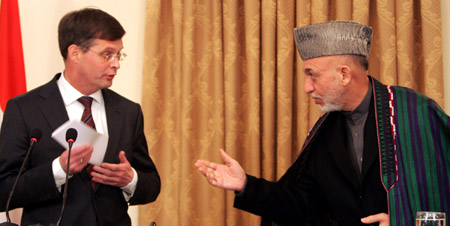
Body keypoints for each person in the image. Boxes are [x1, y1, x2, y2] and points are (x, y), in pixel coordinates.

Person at [195, 21, 450, 226]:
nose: (306, 88)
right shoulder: (324, 131)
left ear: (344, 74)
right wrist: (245, 185)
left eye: (312, 75)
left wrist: (404, 221)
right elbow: (302, 205)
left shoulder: (415, 113)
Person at [0, 8, 160, 226]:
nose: (116, 63)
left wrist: (131, 180)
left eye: (119, 54)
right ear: (74, 53)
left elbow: (152, 185)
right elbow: (3, 191)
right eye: (107, 55)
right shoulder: (25, 109)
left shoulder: (128, 111)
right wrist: (58, 170)